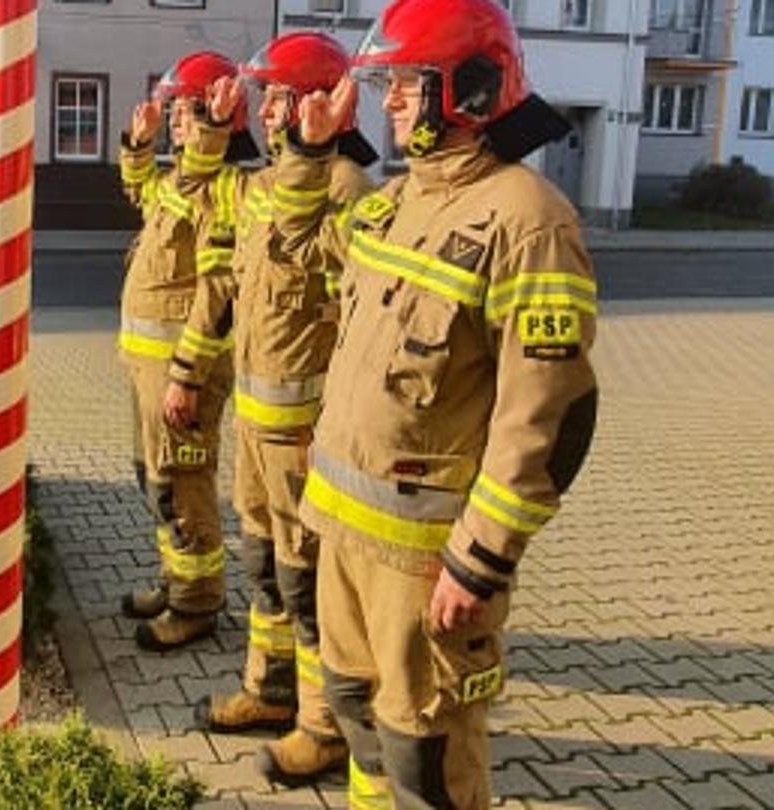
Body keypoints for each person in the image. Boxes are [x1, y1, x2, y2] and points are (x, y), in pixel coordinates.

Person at [273, 0, 597, 806]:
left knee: (427, 754)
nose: (387, 104)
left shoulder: (528, 220)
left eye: (404, 87)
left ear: (470, 91)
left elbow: (550, 416)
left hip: (425, 562)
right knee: (356, 713)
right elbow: (290, 254)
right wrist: (311, 152)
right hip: (343, 532)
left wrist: (480, 560)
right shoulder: (391, 203)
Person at [167, 33, 378, 786]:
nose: (269, 110)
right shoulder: (260, 187)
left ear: (318, 102)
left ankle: (324, 729)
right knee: (265, 568)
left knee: (309, 582)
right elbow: (213, 257)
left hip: (307, 437)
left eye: (279, 97)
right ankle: (270, 690)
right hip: (257, 426)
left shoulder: (349, 189)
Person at [115, 50, 256, 652]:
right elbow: (144, 197)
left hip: (181, 372)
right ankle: (176, 581)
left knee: (183, 480)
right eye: (170, 111)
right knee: (157, 479)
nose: (173, 120)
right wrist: (137, 146)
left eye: (182, 111)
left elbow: (218, 291)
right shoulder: (181, 181)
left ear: (215, 117)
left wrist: (188, 375)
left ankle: (197, 604)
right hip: (151, 366)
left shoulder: (223, 188)